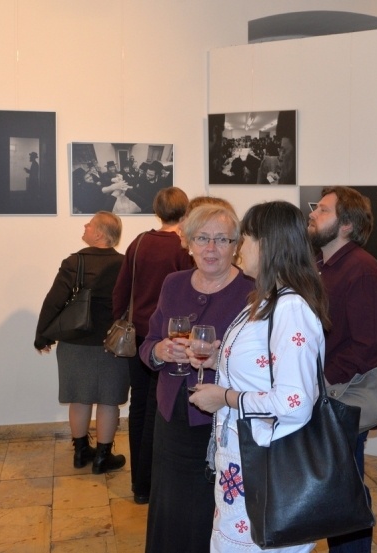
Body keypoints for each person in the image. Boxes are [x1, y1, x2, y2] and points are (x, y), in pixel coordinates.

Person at [188, 200, 330, 552]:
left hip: (267, 471)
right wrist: (220, 354)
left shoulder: (291, 308)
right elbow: (263, 369)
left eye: (245, 238)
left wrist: (223, 397)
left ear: (267, 244)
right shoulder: (269, 299)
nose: (238, 248)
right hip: (246, 468)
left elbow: (294, 403)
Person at [139, 204, 254, 553]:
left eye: (222, 239)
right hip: (171, 415)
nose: (211, 248)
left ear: (236, 246)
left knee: (208, 506)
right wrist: (160, 351)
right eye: (202, 238)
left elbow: (260, 364)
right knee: (169, 502)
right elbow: (147, 345)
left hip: (221, 420)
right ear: (188, 244)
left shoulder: (253, 291)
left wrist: (223, 361)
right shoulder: (173, 284)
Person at [308, 186, 377, 553]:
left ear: (345, 225)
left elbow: (372, 342)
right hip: (320, 396)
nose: (312, 213)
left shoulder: (363, 270)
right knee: (333, 486)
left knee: (346, 491)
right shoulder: (322, 264)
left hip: (339, 397)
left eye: (322, 210)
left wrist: (324, 378)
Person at [112, 187, 193, 505]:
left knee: (139, 408)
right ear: (185, 212)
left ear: (157, 211)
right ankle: (156, 482)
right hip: (168, 340)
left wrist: (118, 320)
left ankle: (140, 485)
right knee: (160, 409)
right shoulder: (184, 248)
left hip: (138, 337)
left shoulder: (139, 242)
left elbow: (121, 290)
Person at [33, 212, 129, 474]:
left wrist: (42, 336)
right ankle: (102, 459)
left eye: (89, 224)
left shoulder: (75, 261)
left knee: (79, 398)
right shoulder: (125, 264)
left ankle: (80, 453)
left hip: (75, 343)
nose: (84, 226)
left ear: (99, 233)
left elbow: (54, 301)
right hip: (114, 344)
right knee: (109, 401)